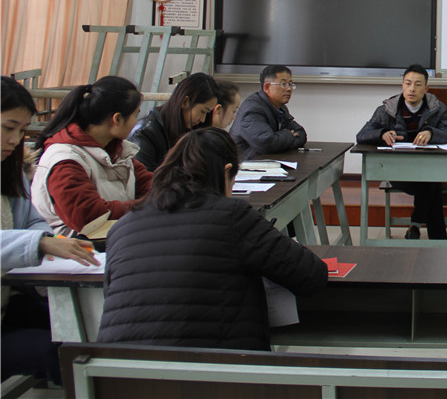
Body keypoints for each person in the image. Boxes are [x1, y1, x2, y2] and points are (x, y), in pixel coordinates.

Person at [97, 127, 327, 349]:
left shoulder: (121, 228)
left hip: (117, 368)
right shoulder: (231, 215)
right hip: (209, 368)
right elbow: (311, 275)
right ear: (227, 171)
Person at [2, 77, 98, 385]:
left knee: (86, 326)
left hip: (8, 302)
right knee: (61, 354)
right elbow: (36, 234)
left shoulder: (9, 170)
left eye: (21, 130)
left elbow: (33, 221)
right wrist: (41, 243)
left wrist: (52, 240)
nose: (15, 139)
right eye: (8, 127)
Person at [32, 76, 153, 236]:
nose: (136, 123)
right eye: (135, 116)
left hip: (114, 239)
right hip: (75, 248)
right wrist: (148, 205)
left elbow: (150, 184)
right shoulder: (65, 161)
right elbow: (89, 217)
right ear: (117, 119)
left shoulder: (118, 151)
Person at [356, 64, 447, 240]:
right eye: (408, 83)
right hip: (397, 170)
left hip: (427, 169)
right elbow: (361, 135)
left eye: (417, 84)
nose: (412, 89)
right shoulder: (386, 110)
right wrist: (381, 134)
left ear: (426, 88)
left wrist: (431, 133)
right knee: (432, 184)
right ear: (402, 85)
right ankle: (435, 239)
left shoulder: (437, 109)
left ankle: (416, 228)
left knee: (430, 181)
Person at [128, 72, 218, 171]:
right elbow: (143, 178)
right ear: (185, 101)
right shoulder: (145, 133)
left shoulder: (189, 131)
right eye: (202, 111)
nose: (203, 119)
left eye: (207, 113)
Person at [230, 65, 306, 160]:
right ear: (267, 87)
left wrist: (279, 141)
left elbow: (301, 134)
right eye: (283, 84)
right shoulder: (252, 109)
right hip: (245, 165)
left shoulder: (280, 107)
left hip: (267, 161)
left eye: (290, 84)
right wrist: (289, 135)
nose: (289, 89)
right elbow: (267, 144)